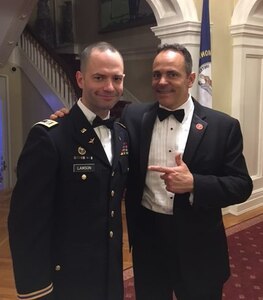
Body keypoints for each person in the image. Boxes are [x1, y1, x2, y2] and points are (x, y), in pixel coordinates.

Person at [50, 43, 253, 300]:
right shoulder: (134, 116)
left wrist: (195, 184)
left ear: (190, 79)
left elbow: (242, 185)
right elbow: (99, 130)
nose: (162, 81)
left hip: (198, 246)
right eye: (157, 74)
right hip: (148, 242)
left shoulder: (223, 126)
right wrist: (68, 118)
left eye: (172, 74)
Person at [8, 41, 129, 300]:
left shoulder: (121, 135)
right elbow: (26, 223)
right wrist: (36, 290)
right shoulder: (50, 137)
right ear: (80, 79)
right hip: (66, 280)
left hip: (109, 275)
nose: (109, 87)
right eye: (99, 77)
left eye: (116, 78)